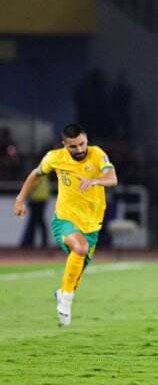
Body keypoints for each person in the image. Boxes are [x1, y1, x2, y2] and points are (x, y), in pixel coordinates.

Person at [13, 124, 118, 327]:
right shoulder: (54, 158)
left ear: (86, 139)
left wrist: (95, 181)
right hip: (64, 220)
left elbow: (112, 178)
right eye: (73, 146)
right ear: (64, 144)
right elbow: (36, 175)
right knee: (80, 247)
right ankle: (67, 301)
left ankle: (62, 292)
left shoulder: (97, 154)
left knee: (76, 274)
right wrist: (20, 199)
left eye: (82, 144)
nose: (79, 150)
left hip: (92, 226)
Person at [20, 174, 50, 248]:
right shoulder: (45, 175)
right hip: (42, 199)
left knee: (34, 221)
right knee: (39, 221)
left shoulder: (38, 174)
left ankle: (29, 242)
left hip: (36, 200)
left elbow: (32, 186)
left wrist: (24, 194)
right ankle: (42, 242)